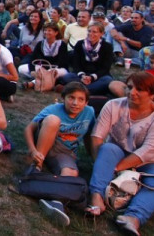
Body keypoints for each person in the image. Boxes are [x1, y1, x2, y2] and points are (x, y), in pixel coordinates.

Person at [84, 72, 154, 236]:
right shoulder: (113, 105)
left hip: (150, 161)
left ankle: (133, 217)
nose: (132, 92)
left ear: (152, 94)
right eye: (129, 87)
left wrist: (115, 169)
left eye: (140, 89)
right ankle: (96, 197)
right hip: (117, 152)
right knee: (107, 149)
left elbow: (146, 152)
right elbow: (97, 136)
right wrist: (99, 162)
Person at [24, 82, 95, 227]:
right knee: (52, 120)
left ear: (86, 102)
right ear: (64, 98)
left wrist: (94, 158)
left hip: (65, 152)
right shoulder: (54, 109)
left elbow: (88, 136)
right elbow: (29, 129)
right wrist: (33, 151)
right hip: (45, 142)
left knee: (71, 173)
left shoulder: (90, 112)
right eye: (71, 97)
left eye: (81, 99)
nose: (75, 103)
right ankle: (36, 167)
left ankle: (55, 202)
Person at [59, 22, 114, 98]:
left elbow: (105, 67)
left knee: (107, 80)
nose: (91, 34)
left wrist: (91, 77)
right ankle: (90, 90)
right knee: (67, 77)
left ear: (101, 34)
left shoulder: (107, 46)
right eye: (89, 31)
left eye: (94, 32)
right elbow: (76, 63)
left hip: (98, 76)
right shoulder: (80, 44)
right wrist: (82, 76)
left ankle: (79, 90)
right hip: (82, 75)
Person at [19, 22, 69, 90]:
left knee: (54, 72)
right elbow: (33, 59)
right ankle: (49, 81)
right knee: (21, 69)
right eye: (45, 30)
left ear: (56, 33)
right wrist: (32, 70)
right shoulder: (40, 43)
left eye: (49, 30)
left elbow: (62, 62)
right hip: (41, 68)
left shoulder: (62, 45)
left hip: (56, 69)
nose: (46, 32)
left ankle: (32, 83)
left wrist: (48, 70)